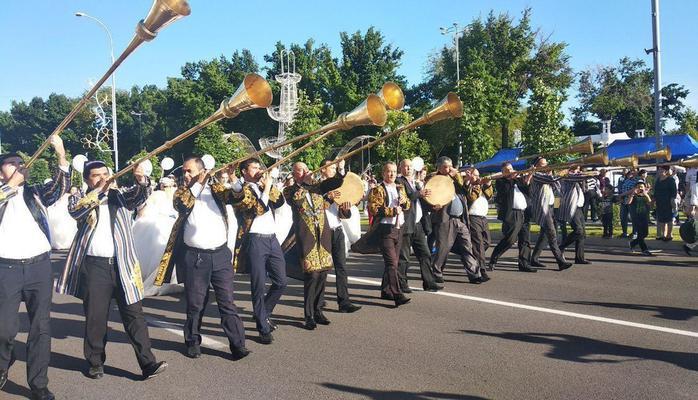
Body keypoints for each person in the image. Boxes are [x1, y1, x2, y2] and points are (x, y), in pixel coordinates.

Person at [57, 160, 167, 381]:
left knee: (134, 315)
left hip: (123, 264)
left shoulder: (120, 195)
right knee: (96, 317)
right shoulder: (79, 198)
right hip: (95, 267)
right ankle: (95, 362)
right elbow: (76, 212)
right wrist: (99, 191)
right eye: (96, 175)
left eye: (105, 173)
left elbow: (140, 196)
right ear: (87, 179)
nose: (102, 178)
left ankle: (148, 363)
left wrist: (140, 179)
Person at [153, 156, 248, 360]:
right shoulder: (182, 192)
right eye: (184, 171)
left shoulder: (217, 190)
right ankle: (192, 341)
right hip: (195, 257)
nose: (186, 175)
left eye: (190, 171)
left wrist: (233, 178)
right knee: (195, 303)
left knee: (227, 302)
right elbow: (183, 206)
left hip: (220, 255)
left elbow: (238, 197)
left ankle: (238, 344)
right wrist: (198, 184)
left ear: (202, 171)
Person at [0, 137, 69, 400]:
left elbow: (60, 188)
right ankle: (3, 363)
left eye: (21, 162)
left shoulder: (35, 192)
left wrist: (60, 153)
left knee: (40, 327)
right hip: (6, 269)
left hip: (39, 267)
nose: (19, 165)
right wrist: (10, 186)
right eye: (12, 163)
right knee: (4, 329)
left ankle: (39, 384)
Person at [284, 162, 346, 329]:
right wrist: (305, 183)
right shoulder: (290, 190)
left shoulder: (317, 187)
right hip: (307, 238)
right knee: (312, 275)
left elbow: (336, 183)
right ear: (294, 173)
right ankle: (309, 314)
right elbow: (296, 201)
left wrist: (340, 169)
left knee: (323, 272)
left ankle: (318, 310)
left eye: (306, 169)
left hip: (323, 236)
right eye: (301, 170)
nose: (306, 172)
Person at [232, 158, 287, 344]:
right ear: (244, 172)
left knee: (281, 281)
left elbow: (280, 202)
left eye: (259, 167)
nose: (258, 170)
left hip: (271, 238)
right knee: (258, 284)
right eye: (254, 168)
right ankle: (262, 327)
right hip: (255, 239)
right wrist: (266, 188)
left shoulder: (262, 186)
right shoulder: (241, 190)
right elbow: (258, 209)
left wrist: (268, 186)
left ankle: (264, 313)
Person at [429, 157, 489, 283]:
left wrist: (466, 181)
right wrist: (451, 177)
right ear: (439, 167)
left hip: (460, 219)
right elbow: (436, 191)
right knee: (443, 249)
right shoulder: (435, 179)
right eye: (446, 167)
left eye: (451, 166)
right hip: (445, 219)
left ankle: (474, 274)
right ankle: (436, 272)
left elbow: (466, 194)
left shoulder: (455, 180)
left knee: (467, 246)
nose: (450, 169)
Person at [319, 159, 362, 313]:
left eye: (334, 167)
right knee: (322, 269)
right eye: (330, 167)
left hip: (337, 229)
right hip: (323, 231)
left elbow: (343, 214)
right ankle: (318, 300)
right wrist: (328, 198)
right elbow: (316, 208)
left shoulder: (338, 186)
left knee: (341, 267)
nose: (333, 170)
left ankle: (344, 302)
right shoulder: (317, 187)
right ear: (323, 170)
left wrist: (346, 208)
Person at [392, 159, 440, 292]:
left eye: (410, 167)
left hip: (418, 224)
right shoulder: (399, 182)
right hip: (406, 224)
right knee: (404, 257)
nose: (408, 169)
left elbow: (421, 202)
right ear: (400, 168)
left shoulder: (415, 183)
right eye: (406, 166)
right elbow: (406, 199)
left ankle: (429, 282)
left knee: (425, 254)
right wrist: (419, 193)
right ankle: (402, 284)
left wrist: (432, 207)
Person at [368, 162, 411, 306]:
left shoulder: (400, 187)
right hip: (385, 229)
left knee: (393, 262)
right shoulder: (378, 189)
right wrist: (392, 211)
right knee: (392, 263)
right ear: (383, 173)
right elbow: (373, 208)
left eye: (393, 171)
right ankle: (397, 294)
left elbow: (408, 204)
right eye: (388, 171)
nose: (391, 174)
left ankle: (386, 290)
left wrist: (404, 203)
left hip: (399, 228)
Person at [528, 157, 573, 271]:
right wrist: (562, 172)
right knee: (552, 234)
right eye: (543, 164)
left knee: (545, 235)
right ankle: (560, 261)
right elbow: (552, 179)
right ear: (536, 166)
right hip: (543, 209)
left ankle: (534, 258)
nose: (546, 165)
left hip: (551, 207)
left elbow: (557, 187)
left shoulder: (546, 176)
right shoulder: (536, 175)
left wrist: (553, 174)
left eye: (546, 163)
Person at [489, 162, 535, 272]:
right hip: (512, 214)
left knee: (525, 240)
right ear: (503, 172)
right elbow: (505, 190)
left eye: (511, 169)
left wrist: (529, 177)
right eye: (507, 170)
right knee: (510, 239)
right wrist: (511, 178)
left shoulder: (519, 180)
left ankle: (524, 264)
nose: (510, 171)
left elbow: (528, 192)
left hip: (524, 213)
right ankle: (494, 257)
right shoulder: (500, 181)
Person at [558, 166, 597, 265]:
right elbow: (579, 177)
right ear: (570, 170)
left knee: (582, 234)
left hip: (579, 208)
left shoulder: (576, 178)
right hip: (572, 207)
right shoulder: (567, 176)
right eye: (575, 169)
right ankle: (561, 247)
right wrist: (591, 173)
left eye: (578, 169)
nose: (578, 170)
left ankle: (579, 258)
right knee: (578, 230)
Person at [464, 167, 497, 275]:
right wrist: (478, 184)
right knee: (478, 244)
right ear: (470, 175)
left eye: (478, 175)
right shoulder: (469, 186)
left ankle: (473, 256)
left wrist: (488, 184)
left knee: (487, 242)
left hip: (483, 218)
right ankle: (482, 270)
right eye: (475, 175)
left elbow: (489, 196)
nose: (478, 177)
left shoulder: (480, 186)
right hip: (473, 217)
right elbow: (472, 197)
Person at [628, 180, 653, 256]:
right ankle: (644, 249)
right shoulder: (634, 196)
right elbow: (629, 202)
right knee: (640, 234)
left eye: (641, 187)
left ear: (644, 188)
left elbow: (650, 204)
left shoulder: (645, 196)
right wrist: (632, 194)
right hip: (636, 217)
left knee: (645, 233)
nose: (640, 188)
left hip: (644, 216)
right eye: (638, 187)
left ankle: (633, 243)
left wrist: (646, 195)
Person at [654, 166, 678, 241]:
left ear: (666, 171)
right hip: (659, 203)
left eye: (662, 170)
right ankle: (663, 235)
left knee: (669, 219)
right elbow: (656, 191)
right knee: (661, 220)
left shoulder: (670, 180)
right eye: (659, 170)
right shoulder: (658, 180)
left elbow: (674, 192)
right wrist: (654, 200)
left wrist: (673, 202)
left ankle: (669, 235)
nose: (660, 171)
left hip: (669, 203)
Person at [618, 170, 637, 238]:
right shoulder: (626, 180)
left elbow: (634, 190)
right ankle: (624, 232)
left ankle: (635, 233)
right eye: (630, 173)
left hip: (632, 201)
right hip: (624, 201)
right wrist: (621, 196)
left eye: (633, 172)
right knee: (623, 217)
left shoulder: (637, 181)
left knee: (633, 217)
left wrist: (623, 194)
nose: (631, 174)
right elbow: (622, 189)